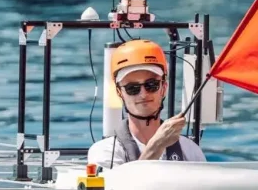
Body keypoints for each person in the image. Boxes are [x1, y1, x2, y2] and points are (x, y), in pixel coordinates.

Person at [87, 39, 206, 168]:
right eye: (132, 88)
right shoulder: (104, 152)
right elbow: (117, 187)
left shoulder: (190, 150)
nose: (143, 94)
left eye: (151, 85)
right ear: (119, 93)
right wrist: (156, 146)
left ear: (164, 88)